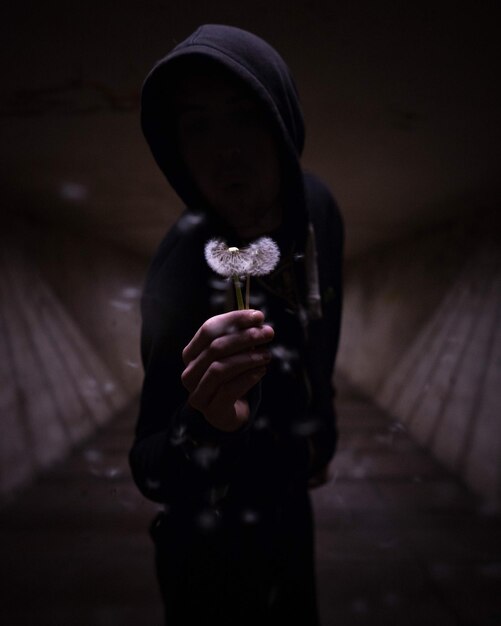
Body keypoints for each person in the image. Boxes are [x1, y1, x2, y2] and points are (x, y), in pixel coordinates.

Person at [129, 24, 343, 626]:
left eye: (245, 115)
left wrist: (319, 435)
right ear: (175, 147)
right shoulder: (178, 272)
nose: (225, 150)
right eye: (197, 125)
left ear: (281, 122)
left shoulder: (319, 214)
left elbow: (322, 332)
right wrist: (205, 424)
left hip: (289, 515)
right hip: (209, 547)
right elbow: (148, 465)